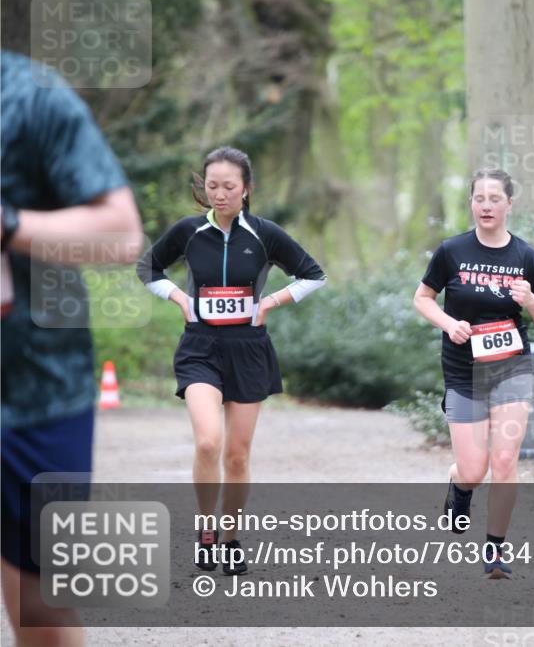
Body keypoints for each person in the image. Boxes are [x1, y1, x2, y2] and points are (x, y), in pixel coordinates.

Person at [1, 50, 143, 646]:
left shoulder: (30, 96)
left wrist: (9, 226)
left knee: (39, 602)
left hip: (36, 389)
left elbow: (121, 234)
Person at [136, 146, 325, 575]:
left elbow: (314, 275)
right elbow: (148, 268)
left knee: (237, 456)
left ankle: (232, 537)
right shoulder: (188, 231)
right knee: (208, 441)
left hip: (249, 349)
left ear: (247, 189)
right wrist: (179, 297)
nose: (219, 194)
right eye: (211, 185)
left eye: (228, 186)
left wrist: (271, 302)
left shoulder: (263, 233)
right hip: (200, 347)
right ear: (203, 187)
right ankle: (205, 529)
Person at [413, 168, 534, 579]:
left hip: (512, 367)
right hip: (463, 371)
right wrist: (447, 323)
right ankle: (459, 489)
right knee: (474, 469)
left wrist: (530, 300)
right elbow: (422, 298)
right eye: (480, 198)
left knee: (506, 458)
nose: (487, 205)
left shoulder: (526, 256)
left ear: (509, 204)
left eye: (495, 198)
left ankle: (494, 550)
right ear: (472, 204)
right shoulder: (451, 251)